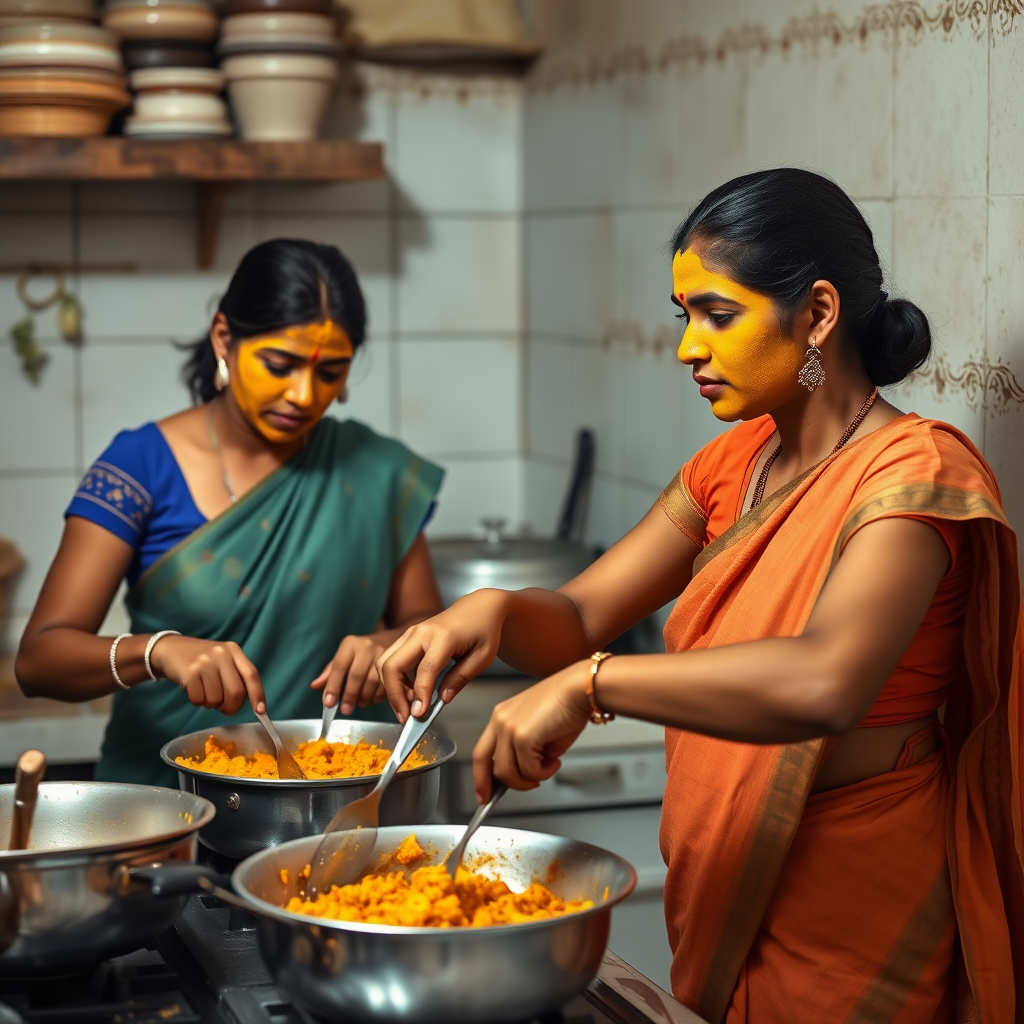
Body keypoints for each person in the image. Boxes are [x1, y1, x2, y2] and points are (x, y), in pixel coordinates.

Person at [372, 171, 1023, 1022]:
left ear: (819, 313)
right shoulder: (735, 463)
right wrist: (490, 610)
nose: (688, 347)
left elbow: (824, 681)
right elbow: (575, 619)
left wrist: (590, 685)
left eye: (718, 315)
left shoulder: (914, 475)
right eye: (686, 317)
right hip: (729, 872)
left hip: (856, 899)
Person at [16, 239, 445, 787]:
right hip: (165, 808)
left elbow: (432, 630)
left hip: (334, 807)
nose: (303, 394)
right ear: (225, 338)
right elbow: (39, 660)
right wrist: (158, 651)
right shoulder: (142, 464)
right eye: (279, 364)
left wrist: (386, 647)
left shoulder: (376, 470)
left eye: (331, 372)